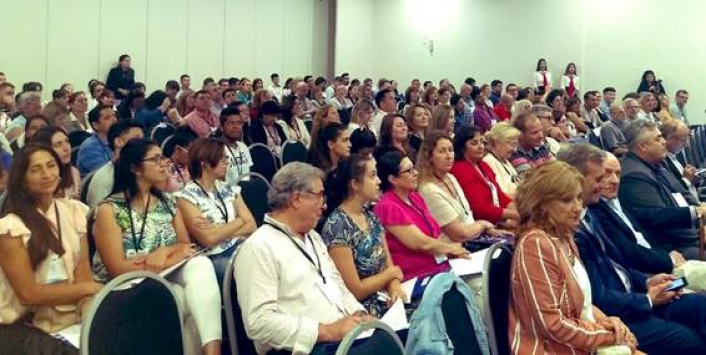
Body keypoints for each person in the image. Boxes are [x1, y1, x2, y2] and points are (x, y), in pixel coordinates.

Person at [558, 143, 706, 353]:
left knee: (699, 304)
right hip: (625, 312)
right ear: (576, 178)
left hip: (638, 293)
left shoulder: (589, 214)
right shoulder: (570, 230)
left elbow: (619, 262)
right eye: (601, 178)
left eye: (615, 174)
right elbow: (597, 297)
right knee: (692, 341)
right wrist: (647, 299)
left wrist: (648, 282)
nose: (610, 182)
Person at [92, 138, 223, 355]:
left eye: (163, 157)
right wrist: (168, 257)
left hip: (162, 275)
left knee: (199, 264)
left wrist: (162, 253)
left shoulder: (168, 202)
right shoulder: (110, 209)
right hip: (125, 286)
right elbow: (117, 268)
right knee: (182, 297)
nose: (164, 164)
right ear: (135, 168)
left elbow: (184, 246)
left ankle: (213, 352)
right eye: (156, 159)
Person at [234, 162, 371, 354]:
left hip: (342, 339)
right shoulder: (258, 247)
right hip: (307, 348)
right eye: (319, 196)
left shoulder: (313, 237)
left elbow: (338, 286)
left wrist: (359, 315)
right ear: (297, 199)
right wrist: (326, 331)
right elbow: (258, 323)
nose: (324, 205)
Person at [509, 160, 638, 355]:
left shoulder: (564, 235)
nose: (577, 207)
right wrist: (608, 335)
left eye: (578, 198)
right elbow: (553, 325)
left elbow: (582, 303)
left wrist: (610, 322)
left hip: (580, 342)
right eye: (567, 200)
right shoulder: (535, 244)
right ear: (542, 204)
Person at [0, 145, 102, 355]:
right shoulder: (11, 227)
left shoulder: (73, 211)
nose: (47, 174)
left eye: (51, 166)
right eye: (35, 169)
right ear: (22, 177)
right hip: (24, 323)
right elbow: (28, 294)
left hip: (71, 311)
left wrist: (88, 309)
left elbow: (82, 268)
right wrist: (90, 289)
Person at [321, 155, 406, 317]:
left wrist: (395, 287)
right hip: (364, 311)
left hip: (387, 301)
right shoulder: (337, 226)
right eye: (373, 176)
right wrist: (391, 274)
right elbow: (356, 290)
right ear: (355, 184)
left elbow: (389, 265)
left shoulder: (371, 217)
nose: (379, 181)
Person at [373, 151, 469, 281]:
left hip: (439, 266)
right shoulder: (387, 206)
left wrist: (450, 253)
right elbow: (421, 243)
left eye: (414, 168)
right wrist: (451, 248)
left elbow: (433, 235)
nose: (416, 173)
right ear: (393, 179)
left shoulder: (415, 197)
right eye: (409, 171)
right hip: (416, 276)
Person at [619, 120, 706, 259]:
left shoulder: (657, 163)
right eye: (658, 138)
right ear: (642, 146)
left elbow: (681, 193)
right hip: (673, 246)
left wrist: (700, 215)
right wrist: (697, 216)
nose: (664, 142)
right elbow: (657, 218)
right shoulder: (634, 175)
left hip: (688, 233)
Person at [175, 138, 255, 285]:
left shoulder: (228, 188)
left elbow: (251, 225)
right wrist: (239, 221)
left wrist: (218, 232)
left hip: (241, 246)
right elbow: (208, 239)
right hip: (214, 256)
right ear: (204, 163)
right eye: (222, 157)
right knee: (254, 269)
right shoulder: (186, 196)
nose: (227, 162)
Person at [591, 152, 683, 275]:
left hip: (658, 262)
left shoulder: (617, 198)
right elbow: (629, 253)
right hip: (646, 274)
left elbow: (643, 236)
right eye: (607, 174)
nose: (615, 180)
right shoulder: (596, 209)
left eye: (618, 174)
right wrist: (670, 260)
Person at [417, 130, 503, 246]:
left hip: (473, 240)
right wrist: (483, 224)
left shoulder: (450, 177)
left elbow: (468, 217)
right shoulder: (428, 190)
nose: (449, 156)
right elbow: (458, 234)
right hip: (454, 252)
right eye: (442, 152)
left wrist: (487, 229)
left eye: (451, 150)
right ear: (429, 156)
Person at [450, 125, 519, 228]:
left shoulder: (483, 165)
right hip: (480, 225)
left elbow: (500, 196)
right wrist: (516, 215)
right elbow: (479, 209)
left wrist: (520, 211)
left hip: (497, 220)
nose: (481, 146)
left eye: (482, 142)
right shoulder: (459, 169)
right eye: (474, 143)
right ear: (462, 147)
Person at [83, 120, 145, 208]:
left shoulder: (144, 171)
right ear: (118, 142)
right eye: (137, 139)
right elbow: (97, 215)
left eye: (143, 139)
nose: (143, 144)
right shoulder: (103, 179)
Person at [32, 126, 85, 199]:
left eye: (67, 141)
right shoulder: (41, 180)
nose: (66, 148)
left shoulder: (73, 172)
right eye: (58, 145)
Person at [660, 119, 700, 199]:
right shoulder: (661, 161)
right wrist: (686, 180)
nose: (686, 145)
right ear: (668, 139)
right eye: (683, 141)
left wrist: (692, 180)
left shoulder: (675, 154)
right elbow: (671, 194)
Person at [483, 122, 521, 197]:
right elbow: (501, 195)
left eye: (516, 145)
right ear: (497, 142)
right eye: (512, 144)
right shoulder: (488, 163)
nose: (515, 150)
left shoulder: (505, 160)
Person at [76, 106, 116, 177]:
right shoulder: (90, 147)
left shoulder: (118, 139)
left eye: (114, 116)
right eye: (107, 118)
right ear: (96, 125)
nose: (114, 120)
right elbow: (107, 176)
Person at [218, 107, 253, 184]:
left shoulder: (243, 146)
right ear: (221, 128)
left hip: (246, 189)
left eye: (239, 123)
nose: (236, 126)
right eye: (230, 123)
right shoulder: (217, 149)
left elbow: (249, 173)